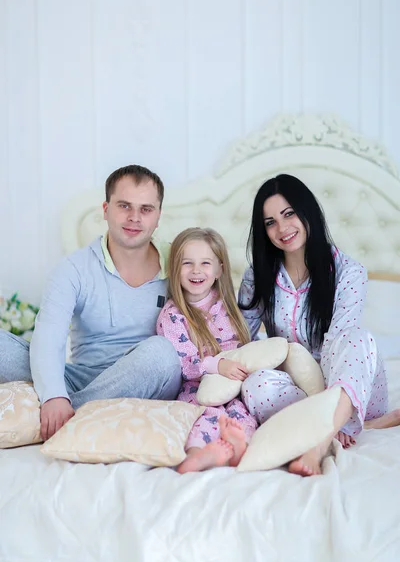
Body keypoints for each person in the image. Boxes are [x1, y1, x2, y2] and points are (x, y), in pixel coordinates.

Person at [0, 165, 181, 441]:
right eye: (124, 206)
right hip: (81, 377)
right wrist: (54, 394)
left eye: (146, 209)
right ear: (106, 210)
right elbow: (49, 338)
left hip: (146, 378)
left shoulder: (181, 264)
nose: (134, 218)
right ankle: (80, 410)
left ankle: (70, 413)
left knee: (162, 354)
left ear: (158, 216)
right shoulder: (73, 269)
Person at [238, 173, 400, 476]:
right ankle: (371, 426)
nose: (283, 228)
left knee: (357, 339)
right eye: (270, 222)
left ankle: (320, 441)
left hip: (350, 385)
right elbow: (241, 342)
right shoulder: (256, 277)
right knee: (255, 385)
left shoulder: (349, 272)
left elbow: (340, 340)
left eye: (289, 214)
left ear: (307, 211)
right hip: (297, 388)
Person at [157, 227, 257, 474]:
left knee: (242, 415)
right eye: (187, 263)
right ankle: (197, 455)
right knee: (204, 415)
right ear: (174, 269)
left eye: (205, 263)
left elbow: (243, 345)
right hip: (197, 387)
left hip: (233, 386)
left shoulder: (227, 306)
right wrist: (216, 366)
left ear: (219, 269)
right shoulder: (172, 315)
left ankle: (238, 447)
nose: (196, 270)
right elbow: (183, 363)